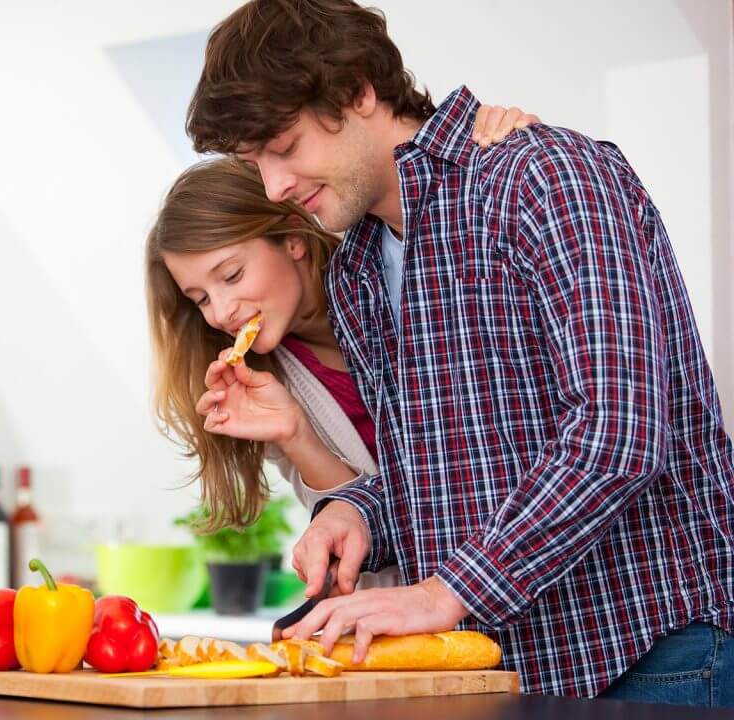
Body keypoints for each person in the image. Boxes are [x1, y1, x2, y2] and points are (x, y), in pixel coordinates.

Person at [184, 0, 734, 706]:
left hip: (658, 654)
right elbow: (441, 472)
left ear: (357, 89)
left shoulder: (542, 177)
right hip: (508, 670)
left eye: (284, 146)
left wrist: (448, 592)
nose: (274, 188)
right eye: (254, 162)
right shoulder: (356, 268)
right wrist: (357, 513)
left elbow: (618, 432)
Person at [147, 109, 538, 590]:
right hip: (421, 600)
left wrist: (501, 133)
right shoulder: (265, 383)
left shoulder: (390, 277)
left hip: (520, 571)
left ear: (292, 239)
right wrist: (295, 434)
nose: (222, 311)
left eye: (231, 276)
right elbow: (366, 532)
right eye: (201, 299)